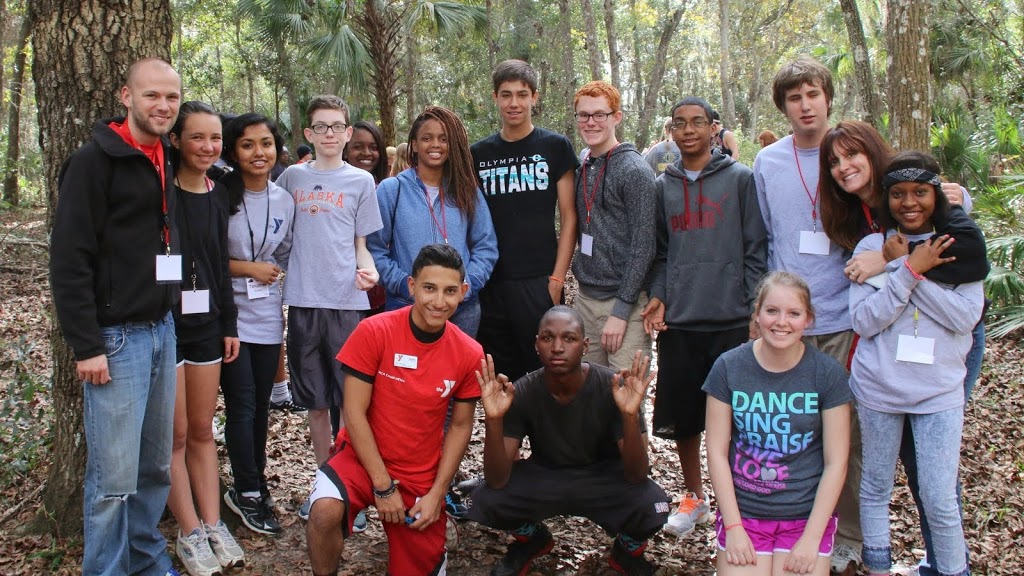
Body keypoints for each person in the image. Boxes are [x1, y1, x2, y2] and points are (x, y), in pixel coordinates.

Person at [819, 122, 987, 576]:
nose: (909, 202)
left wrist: (905, 270)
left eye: (920, 193)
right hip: (880, 386)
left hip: (937, 385)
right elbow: (866, 320)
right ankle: (878, 565)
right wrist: (908, 268)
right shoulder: (873, 241)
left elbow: (963, 317)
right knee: (875, 484)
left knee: (936, 490)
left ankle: (951, 568)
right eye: (899, 195)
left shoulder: (955, 242)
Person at [50, 57, 181, 576]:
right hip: (116, 339)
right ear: (126, 96)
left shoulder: (166, 156)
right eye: (152, 96)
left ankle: (147, 562)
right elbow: (69, 259)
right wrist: (87, 346)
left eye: (171, 97)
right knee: (114, 478)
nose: (163, 106)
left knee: (153, 468)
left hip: (161, 330)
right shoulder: (94, 161)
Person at [306, 244, 483, 576]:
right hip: (361, 456)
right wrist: (383, 486)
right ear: (412, 286)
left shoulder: (469, 352)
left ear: (463, 292)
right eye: (429, 288)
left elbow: (460, 427)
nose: (438, 301)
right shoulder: (375, 331)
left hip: (420, 472)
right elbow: (353, 412)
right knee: (324, 511)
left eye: (449, 291)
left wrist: (437, 494)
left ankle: (435, 544)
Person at [752, 57, 863, 575]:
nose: (805, 105)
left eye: (813, 94)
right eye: (794, 97)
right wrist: (765, 313)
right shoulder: (769, 163)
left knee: (847, 436)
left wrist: (959, 194)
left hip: (845, 317)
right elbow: (768, 236)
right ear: (783, 107)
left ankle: (852, 536)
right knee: (791, 435)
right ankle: (793, 530)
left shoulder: (850, 155)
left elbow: (903, 196)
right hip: (787, 324)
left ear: (827, 98)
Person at [642, 96, 768, 538]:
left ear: (714, 129)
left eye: (698, 122)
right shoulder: (663, 186)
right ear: (671, 131)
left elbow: (756, 248)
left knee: (737, 418)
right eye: (680, 123)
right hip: (682, 319)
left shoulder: (739, 180)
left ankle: (742, 503)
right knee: (686, 415)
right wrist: (659, 296)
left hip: (731, 318)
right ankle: (694, 498)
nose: (689, 130)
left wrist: (755, 307)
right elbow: (659, 253)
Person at [469, 306, 670, 576]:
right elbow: (496, 480)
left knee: (653, 506)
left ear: (585, 345)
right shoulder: (523, 390)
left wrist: (629, 415)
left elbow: (636, 475)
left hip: (603, 478)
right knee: (484, 499)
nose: (558, 347)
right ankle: (533, 539)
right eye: (548, 338)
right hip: (545, 475)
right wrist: (493, 420)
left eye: (569, 339)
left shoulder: (613, 388)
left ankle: (626, 551)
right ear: (536, 345)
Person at [275, 95, 383, 519]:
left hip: (347, 303)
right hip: (303, 301)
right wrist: (290, 267)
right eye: (321, 127)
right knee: (315, 403)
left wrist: (369, 272)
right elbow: (280, 237)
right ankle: (326, 488)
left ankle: (350, 488)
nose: (330, 135)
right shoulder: (291, 180)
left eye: (337, 126)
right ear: (308, 133)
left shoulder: (360, 182)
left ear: (348, 131)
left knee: (349, 402)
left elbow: (362, 245)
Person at [705, 271, 852, 576]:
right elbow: (717, 453)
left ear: (808, 319)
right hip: (745, 513)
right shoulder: (728, 368)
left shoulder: (827, 374)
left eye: (794, 313)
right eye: (772, 311)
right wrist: (733, 527)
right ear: (757, 314)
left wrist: (812, 538)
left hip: (804, 516)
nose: (781, 322)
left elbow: (836, 463)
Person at [166, 101, 245, 575]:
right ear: (175, 140)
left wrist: (228, 323)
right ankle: (190, 532)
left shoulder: (219, 193)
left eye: (214, 138)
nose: (207, 146)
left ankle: (214, 525)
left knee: (200, 430)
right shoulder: (160, 192)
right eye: (196, 137)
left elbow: (219, 264)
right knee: (174, 435)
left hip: (207, 324)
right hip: (162, 325)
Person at [471, 59, 579, 382]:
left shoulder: (555, 147)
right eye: (506, 95)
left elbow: (569, 215)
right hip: (492, 283)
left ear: (534, 97)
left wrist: (557, 280)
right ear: (495, 98)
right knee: (502, 381)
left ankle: (548, 436)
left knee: (545, 378)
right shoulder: (478, 154)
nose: (514, 103)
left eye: (522, 94)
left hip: (539, 281)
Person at [219, 113, 294, 536]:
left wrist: (271, 276)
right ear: (234, 151)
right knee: (242, 403)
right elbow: (206, 258)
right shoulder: (218, 195)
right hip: (229, 318)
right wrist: (248, 268)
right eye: (248, 145)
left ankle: (256, 481)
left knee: (261, 405)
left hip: (267, 315)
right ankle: (245, 489)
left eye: (265, 143)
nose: (258, 153)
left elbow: (282, 253)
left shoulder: (283, 199)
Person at [369, 105, 498, 338]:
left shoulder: (466, 190)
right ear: (415, 145)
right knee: (408, 374)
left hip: (462, 311)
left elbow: (486, 246)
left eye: (443, 139)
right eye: (427, 138)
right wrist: (404, 286)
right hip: (405, 307)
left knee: (455, 374)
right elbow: (375, 249)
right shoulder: (392, 190)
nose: (435, 145)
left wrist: (463, 288)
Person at [571, 80, 657, 372]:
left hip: (625, 303)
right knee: (589, 395)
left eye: (599, 115)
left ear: (616, 117)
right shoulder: (583, 167)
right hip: (585, 299)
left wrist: (621, 311)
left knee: (625, 396)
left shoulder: (634, 170)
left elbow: (644, 246)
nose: (590, 122)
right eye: (584, 115)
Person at [344, 120, 390, 317]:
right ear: (345, 150)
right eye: (358, 147)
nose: (366, 153)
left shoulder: (387, 190)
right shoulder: (335, 191)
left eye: (373, 147)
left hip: (379, 288)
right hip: (341, 288)